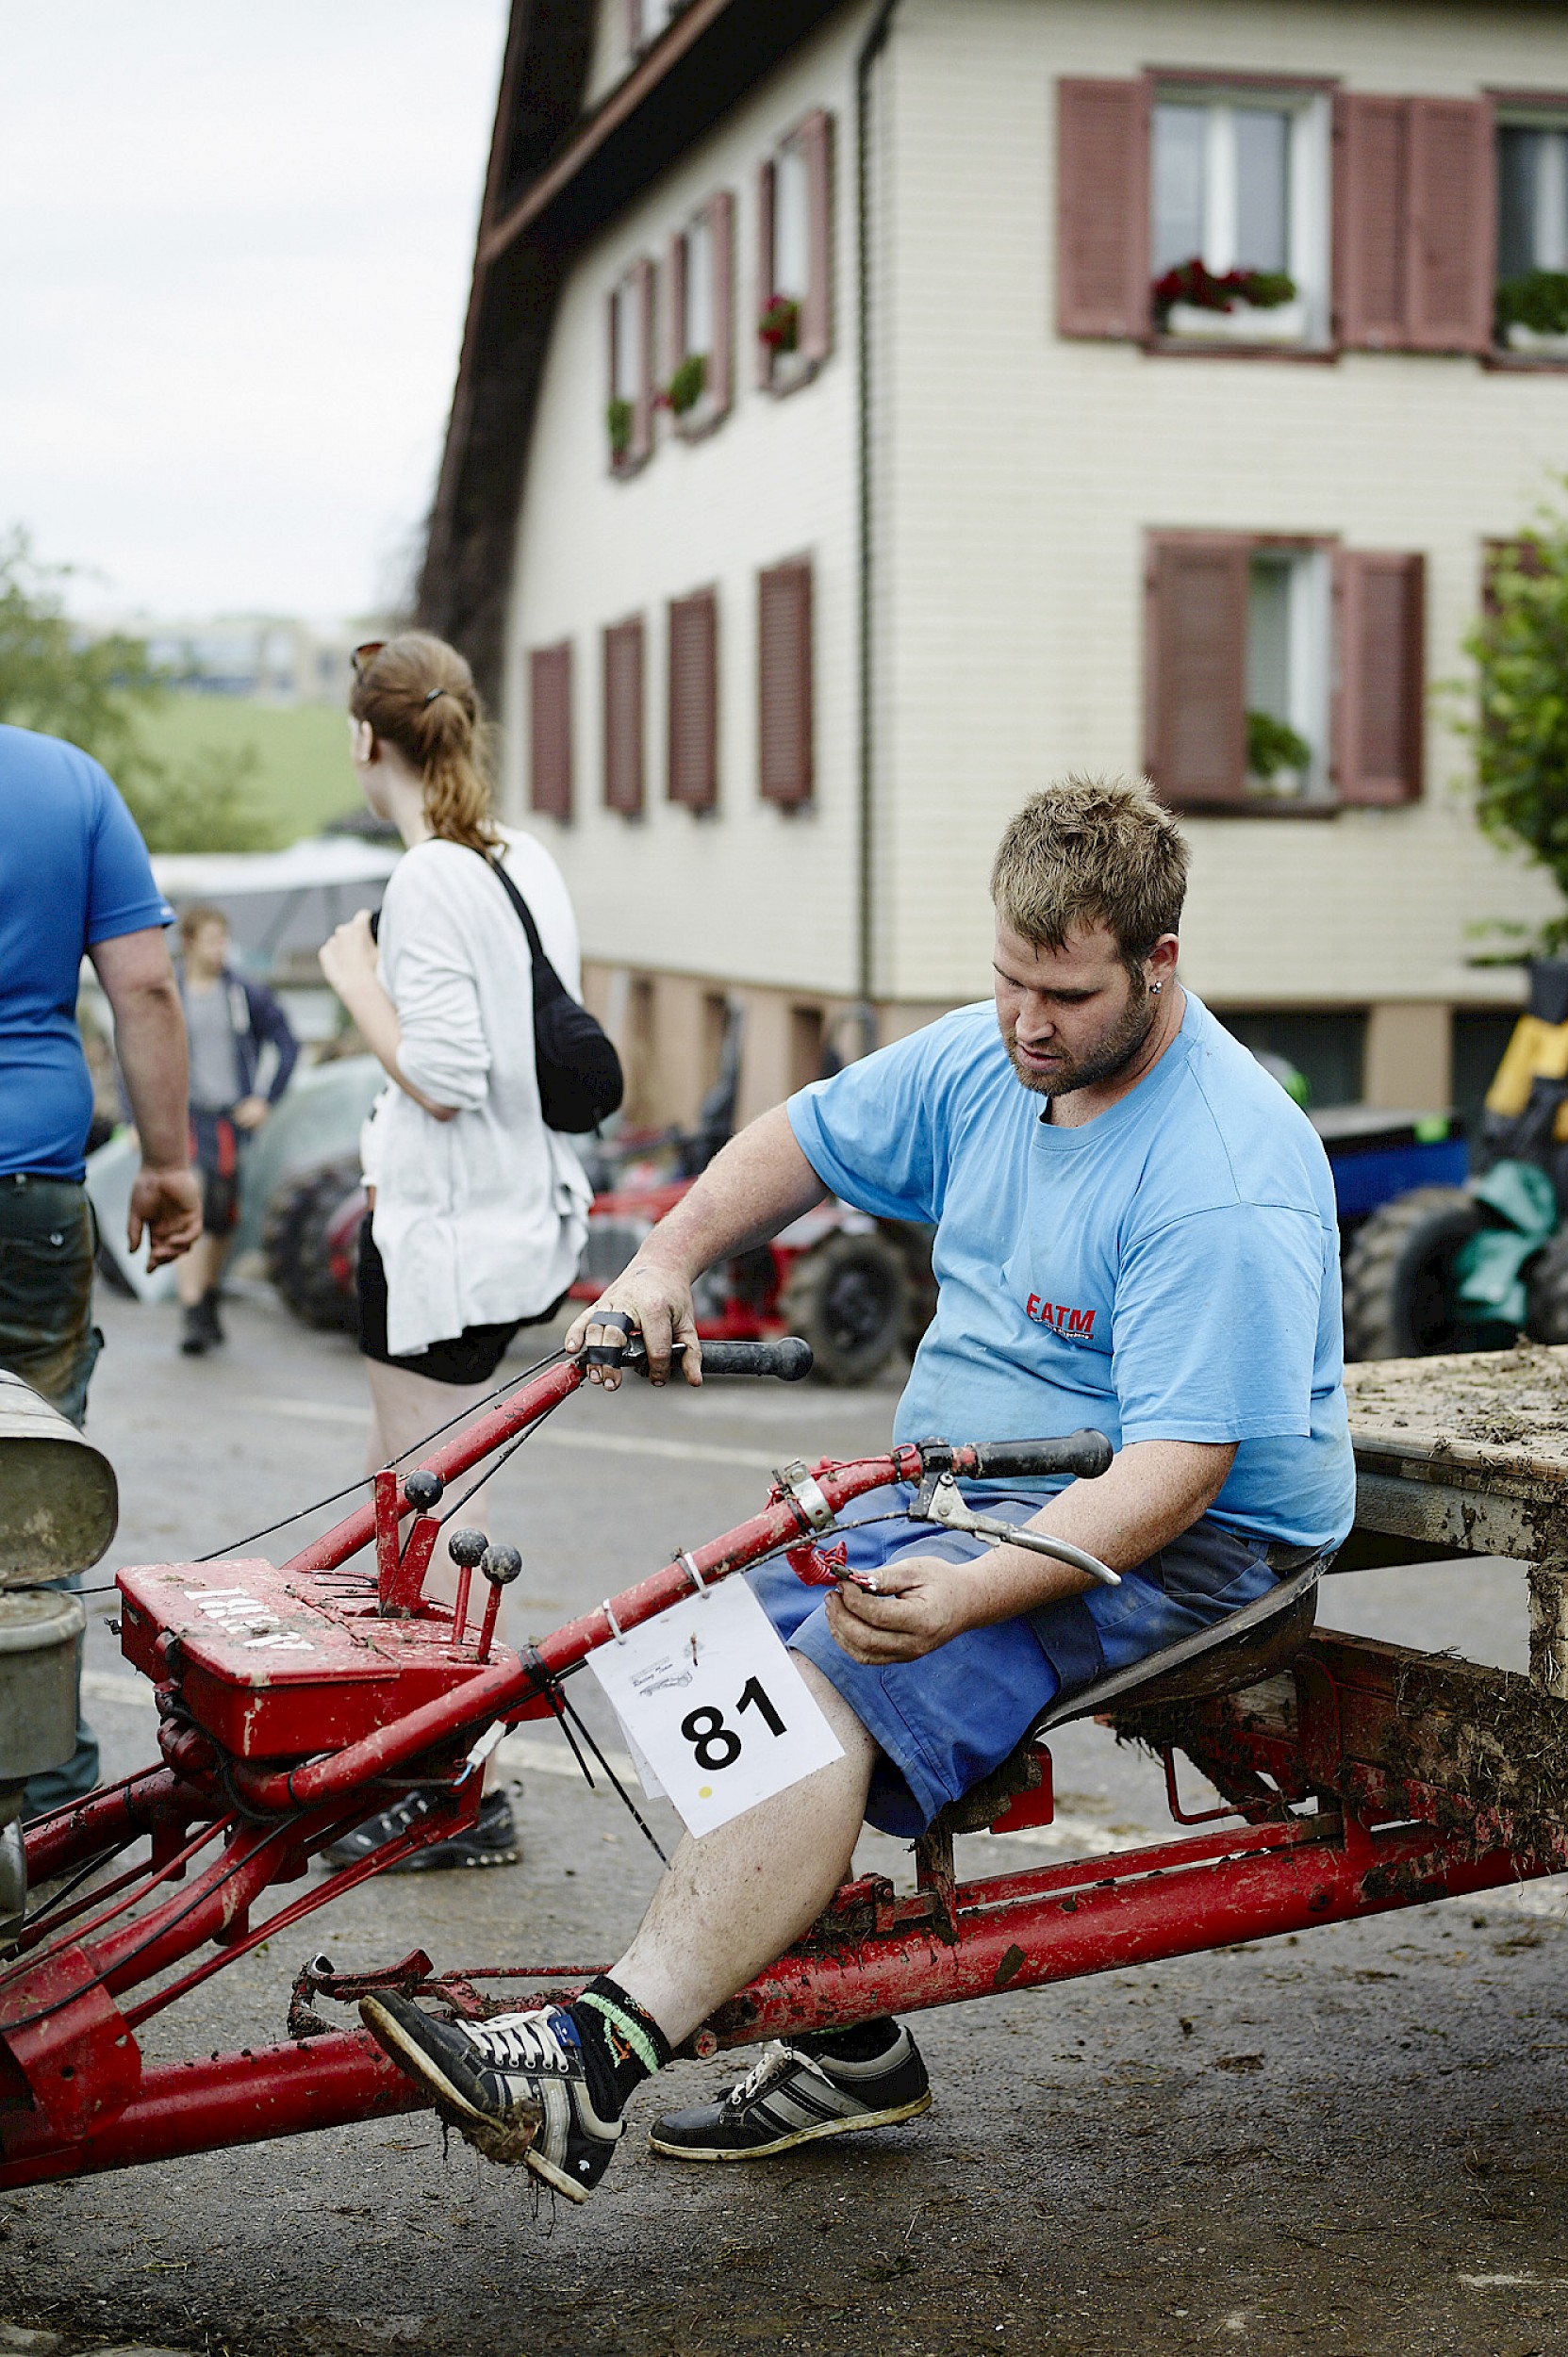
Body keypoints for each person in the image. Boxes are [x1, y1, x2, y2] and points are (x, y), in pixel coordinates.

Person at [358, 774, 1354, 2203]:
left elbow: (1178, 1476)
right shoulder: (992, 1061)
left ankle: (594, 2061)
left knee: (834, 1682)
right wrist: (664, 1263)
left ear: (1159, 967)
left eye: (1064, 996)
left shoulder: (1221, 1175)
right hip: (957, 1482)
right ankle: (855, 2032)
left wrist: (966, 1595)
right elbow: (801, 1140)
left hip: (1189, 1534)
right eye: (1008, 981)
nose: (1027, 1023)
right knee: (696, 1642)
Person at [315, 634, 592, 1875]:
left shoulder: (430, 879)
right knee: (411, 1495)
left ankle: (449, 1787)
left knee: (417, 1514)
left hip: (445, 1245)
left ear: (367, 740)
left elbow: (447, 1077)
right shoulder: (521, 856)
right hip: (514, 1223)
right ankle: (412, 1766)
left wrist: (352, 978)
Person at [0, 722, 203, 1812]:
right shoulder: (67, 783)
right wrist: (168, 1163)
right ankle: (36, 1800)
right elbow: (146, 991)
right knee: (30, 1494)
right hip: (29, 1189)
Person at [173, 903, 299, 1355]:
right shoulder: (168, 991)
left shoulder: (243, 993)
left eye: (224, 940)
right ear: (189, 943)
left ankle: (207, 1298)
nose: (221, 949)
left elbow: (287, 1042)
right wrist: (135, 1119)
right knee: (191, 1205)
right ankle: (191, 1310)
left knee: (222, 1217)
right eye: (212, 940)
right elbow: (135, 1053)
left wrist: (265, 1098)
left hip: (228, 1119)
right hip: (184, 1117)